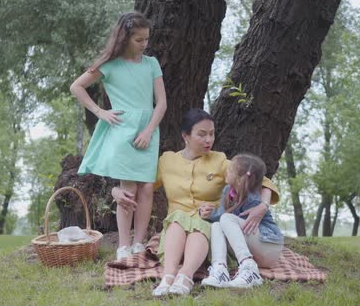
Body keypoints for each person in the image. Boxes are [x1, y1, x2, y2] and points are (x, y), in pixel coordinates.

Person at [111, 109, 280, 296]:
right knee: (177, 219)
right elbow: (143, 185)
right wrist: (115, 190)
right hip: (175, 235)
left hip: (207, 233)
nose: (209, 139)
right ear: (186, 136)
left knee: (199, 225)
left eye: (212, 133)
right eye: (202, 134)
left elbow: (261, 180)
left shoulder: (220, 161)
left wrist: (262, 206)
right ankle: (168, 277)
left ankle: (185, 276)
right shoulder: (167, 160)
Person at [70, 12, 167, 260]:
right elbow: (76, 87)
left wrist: (148, 130)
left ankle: (138, 243)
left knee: (146, 188)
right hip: (123, 129)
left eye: (146, 39)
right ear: (124, 38)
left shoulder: (151, 63)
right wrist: (100, 111)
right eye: (139, 40)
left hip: (148, 129)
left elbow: (162, 103)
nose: (144, 44)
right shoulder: (109, 66)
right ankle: (123, 246)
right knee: (128, 190)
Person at [201, 153, 283, 289]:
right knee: (216, 224)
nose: (227, 171)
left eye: (231, 169)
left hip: (269, 246)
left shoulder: (254, 198)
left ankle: (249, 268)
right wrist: (209, 214)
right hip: (253, 248)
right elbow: (222, 218)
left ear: (240, 179)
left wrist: (224, 216)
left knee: (226, 218)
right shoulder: (229, 191)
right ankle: (220, 270)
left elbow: (233, 222)